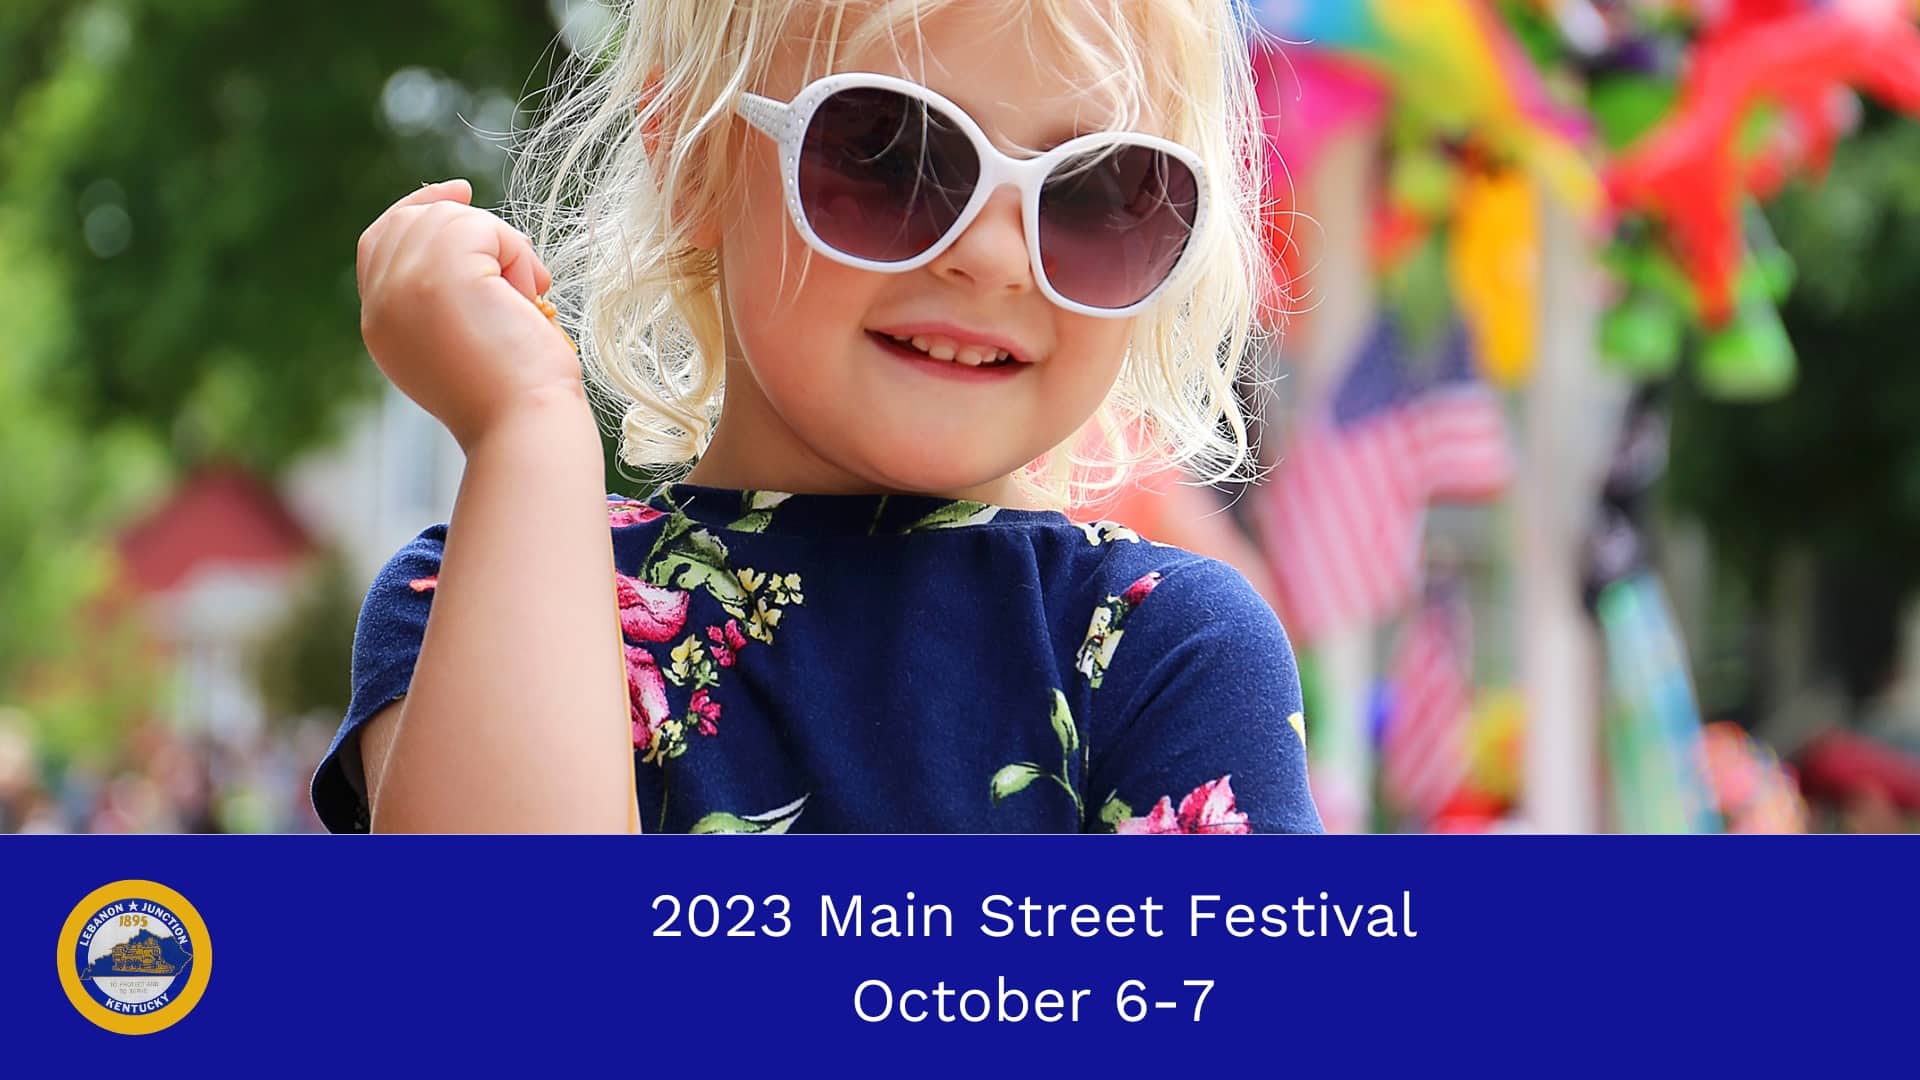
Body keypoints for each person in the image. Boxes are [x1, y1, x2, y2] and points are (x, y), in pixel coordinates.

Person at [313, 0, 1322, 834]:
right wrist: (527, 427)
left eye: (1098, 189)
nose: (998, 257)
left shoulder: (1171, 650)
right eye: (892, 150)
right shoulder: (470, 598)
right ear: (691, 160)